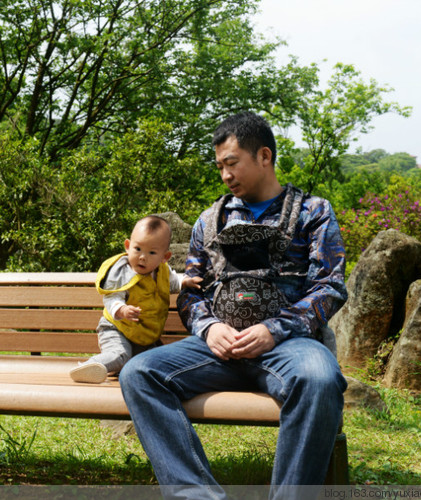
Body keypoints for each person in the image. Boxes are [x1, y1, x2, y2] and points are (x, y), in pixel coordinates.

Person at [119, 112, 349, 499]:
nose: (225, 174)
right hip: (218, 349)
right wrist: (210, 329)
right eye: (220, 166)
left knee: (320, 378)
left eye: (232, 163)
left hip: (289, 346)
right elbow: (191, 291)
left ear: (264, 156)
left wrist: (274, 329)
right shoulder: (209, 220)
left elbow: (330, 286)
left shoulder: (314, 212)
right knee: (139, 373)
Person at [70, 215, 202, 384]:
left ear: (165, 257)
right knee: (119, 355)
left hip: (145, 336)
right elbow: (112, 298)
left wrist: (185, 282)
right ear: (127, 246)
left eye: (152, 252)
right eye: (138, 249)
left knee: (157, 360)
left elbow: (173, 282)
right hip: (116, 328)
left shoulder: (162, 271)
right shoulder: (122, 273)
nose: (142, 257)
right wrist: (122, 309)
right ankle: (90, 367)